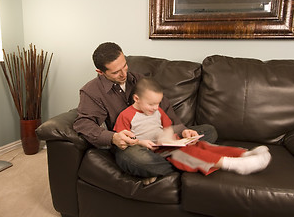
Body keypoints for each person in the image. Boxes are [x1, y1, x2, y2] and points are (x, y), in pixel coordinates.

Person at [73, 42, 218, 179]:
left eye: (125, 66)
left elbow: (165, 107)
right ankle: (188, 160)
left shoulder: (139, 80)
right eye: (116, 72)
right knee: (137, 160)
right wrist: (113, 138)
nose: (124, 74)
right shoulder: (91, 91)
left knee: (209, 131)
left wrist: (183, 131)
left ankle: (166, 164)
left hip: (160, 139)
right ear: (100, 72)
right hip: (131, 145)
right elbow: (84, 124)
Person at [114, 77, 272, 179]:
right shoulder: (126, 115)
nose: (156, 107)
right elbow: (124, 138)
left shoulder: (158, 110)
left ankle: (244, 153)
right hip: (152, 150)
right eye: (151, 104)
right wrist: (141, 143)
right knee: (188, 153)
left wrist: (181, 135)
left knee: (202, 144)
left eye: (158, 103)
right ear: (136, 98)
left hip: (168, 144)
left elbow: (169, 127)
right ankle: (234, 165)